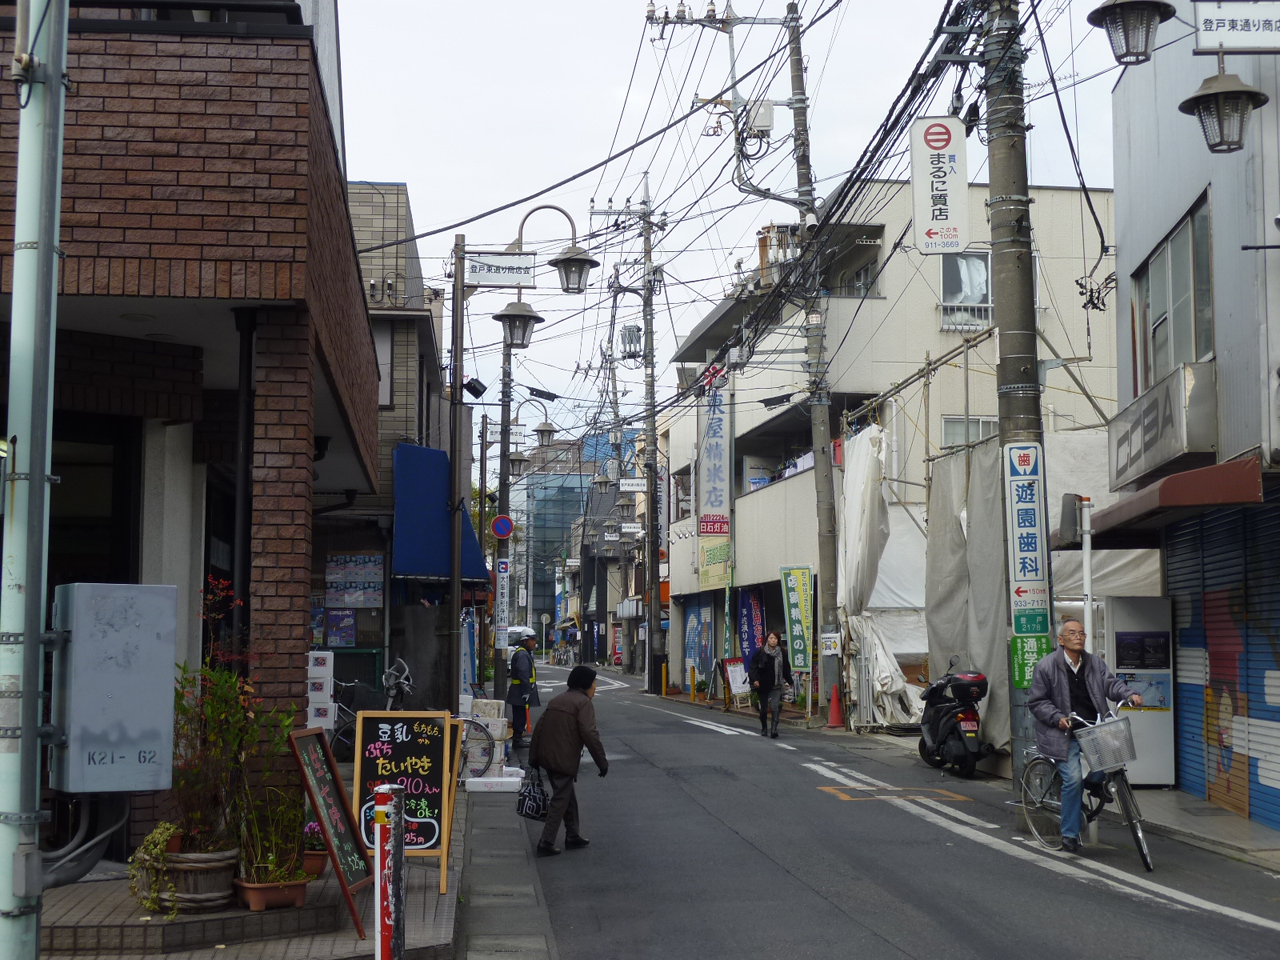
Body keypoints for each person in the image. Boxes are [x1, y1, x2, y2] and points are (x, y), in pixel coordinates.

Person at [1027, 618, 1143, 853]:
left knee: (1112, 759)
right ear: (1061, 640)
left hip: (1092, 728)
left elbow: (1111, 685)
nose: (1078, 636)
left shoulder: (1094, 663)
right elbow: (1037, 701)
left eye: (1081, 633)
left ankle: (1095, 782)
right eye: (1072, 633)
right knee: (1072, 780)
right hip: (1063, 733)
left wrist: (1130, 694)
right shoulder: (1046, 666)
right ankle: (1069, 834)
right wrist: (1056, 717)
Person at [527, 665, 608, 857]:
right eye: (594, 683)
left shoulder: (558, 699)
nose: (595, 687)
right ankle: (546, 841)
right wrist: (602, 762)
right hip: (562, 757)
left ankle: (572, 835)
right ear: (586, 684)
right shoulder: (583, 703)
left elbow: (539, 728)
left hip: (548, 756)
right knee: (560, 799)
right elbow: (589, 733)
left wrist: (534, 757)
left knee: (566, 795)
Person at [748, 630, 792, 739]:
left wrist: (790, 681)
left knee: (775, 706)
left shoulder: (782, 653)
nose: (773, 640)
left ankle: (774, 730)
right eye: (771, 638)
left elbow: (786, 668)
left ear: (778, 640)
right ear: (767, 639)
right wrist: (755, 680)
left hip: (776, 683)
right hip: (762, 684)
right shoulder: (760, 652)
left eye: (775, 639)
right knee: (763, 709)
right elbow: (753, 668)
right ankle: (764, 727)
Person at [507, 633, 540, 748]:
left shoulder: (523, 653)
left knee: (520, 715)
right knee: (520, 716)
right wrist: (526, 691)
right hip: (520, 691)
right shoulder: (522, 654)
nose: (534, 642)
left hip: (519, 691)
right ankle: (517, 739)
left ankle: (518, 738)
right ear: (525, 641)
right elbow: (524, 674)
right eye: (532, 640)